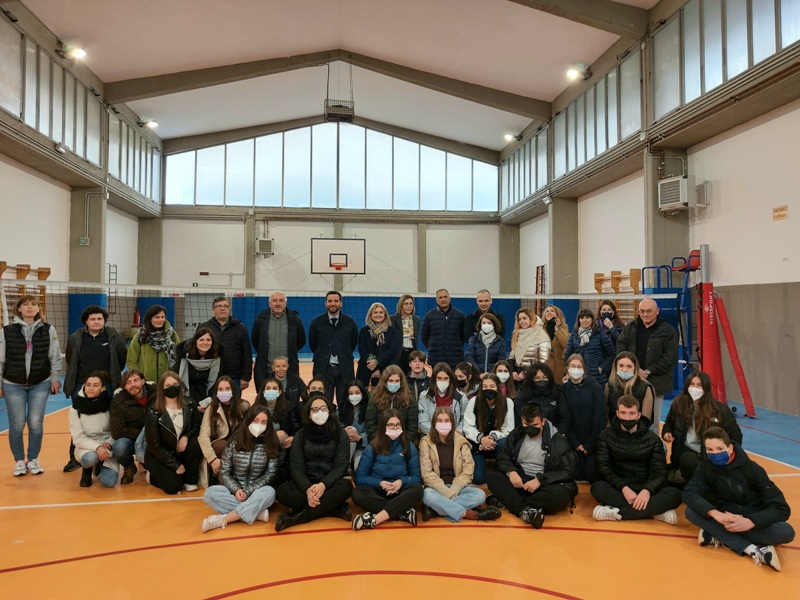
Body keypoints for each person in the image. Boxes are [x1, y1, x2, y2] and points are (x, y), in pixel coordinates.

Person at [683, 427, 795, 572]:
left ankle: (717, 534)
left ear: (729, 448)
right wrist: (716, 514)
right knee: (690, 511)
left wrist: (751, 521)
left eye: (719, 448)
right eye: (710, 450)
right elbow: (689, 493)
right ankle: (751, 549)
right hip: (725, 518)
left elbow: (782, 509)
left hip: (752, 518)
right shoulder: (705, 467)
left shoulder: (752, 469)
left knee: (786, 532)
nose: (715, 453)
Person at [591, 395, 682, 524]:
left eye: (632, 413)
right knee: (597, 488)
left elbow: (659, 472)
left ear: (639, 415)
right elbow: (603, 467)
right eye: (623, 413)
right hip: (619, 487)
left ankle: (618, 513)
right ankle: (654, 512)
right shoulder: (606, 436)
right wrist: (624, 487)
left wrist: (647, 490)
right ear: (617, 413)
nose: (627, 418)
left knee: (675, 494)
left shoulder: (653, 439)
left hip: (645, 487)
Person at [486, 402, 577, 529]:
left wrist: (540, 480)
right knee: (493, 478)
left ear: (543, 421)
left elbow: (567, 471)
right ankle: (525, 510)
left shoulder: (557, 440)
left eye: (535, 425)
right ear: (521, 420)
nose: (530, 428)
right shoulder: (516, 434)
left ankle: (511, 502)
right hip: (520, 479)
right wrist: (511, 471)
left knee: (559, 497)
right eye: (526, 425)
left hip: (543, 482)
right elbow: (503, 456)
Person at [0, 294, 62, 476]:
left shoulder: (49, 329)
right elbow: (1, 358)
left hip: (40, 383)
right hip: (12, 383)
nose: (29, 307)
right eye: (25, 304)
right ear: (19, 308)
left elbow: (55, 356)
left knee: (35, 423)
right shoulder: (7, 331)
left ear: (38, 309)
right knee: (17, 424)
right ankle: (19, 461)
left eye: (33, 304)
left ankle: (33, 458)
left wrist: (55, 378)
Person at [62, 305, 127, 472]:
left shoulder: (114, 336)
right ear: (86, 321)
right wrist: (87, 384)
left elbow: (121, 358)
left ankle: (104, 456)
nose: (96, 321)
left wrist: (107, 379)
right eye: (93, 319)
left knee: (109, 420)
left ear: (104, 320)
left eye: (100, 319)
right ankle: (75, 458)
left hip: (108, 385)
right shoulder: (76, 338)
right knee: (80, 422)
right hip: (82, 384)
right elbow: (70, 359)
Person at [274, 395, 352, 531]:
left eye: (323, 408)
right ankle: (333, 509)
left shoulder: (340, 434)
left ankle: (298, 517)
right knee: (282, 492)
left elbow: (341, 466)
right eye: (315, 409)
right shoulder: (300, 436)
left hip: (330, 484)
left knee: (346, 487)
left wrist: (323, 485)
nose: (319, 412)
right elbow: (296, 468)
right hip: (306, 484)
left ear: (329, 411)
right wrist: (308, 489)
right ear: (309, 415)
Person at [201, 405, 281, 532]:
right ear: (248, 421)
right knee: (210, 493)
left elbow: (270, 474)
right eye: (256, 420)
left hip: (256, 493)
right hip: (235, 493)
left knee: (270, 492)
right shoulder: (234, 443)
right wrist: (236, 489)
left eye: (263, 422)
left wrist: (248, 491)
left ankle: (225, 519)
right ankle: (256, 513)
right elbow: (224, 472)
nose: (259, 425)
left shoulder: (271, 444)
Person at [419, 406, 501, 522]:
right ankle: (468, 513)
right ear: (434, 423)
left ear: (452, 423)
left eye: (447, 420)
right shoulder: (426, 442)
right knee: (427, 495)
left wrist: (454, 489)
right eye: (439, 420)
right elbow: (426, 473)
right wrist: (446, 492)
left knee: (480, 495)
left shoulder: (461, 441)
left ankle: (436, 510)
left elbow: (468, 470)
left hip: (458, 488)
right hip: (436, 489)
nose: (443, 424)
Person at [662, 371, 742, 483]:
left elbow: (736, 435)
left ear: (706, 388)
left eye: (699, 385)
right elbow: (669, 422)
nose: (695, 388)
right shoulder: (678, 404)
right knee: (687, 461)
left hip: (711, 455)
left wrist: (727, 454)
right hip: (688, 453)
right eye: (692, 384)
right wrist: (667, 432)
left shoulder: (720, 410)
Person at [352, 409, 424, 529]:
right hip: (378, 491)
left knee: (418, 489)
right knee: (357, 493)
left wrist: (401, 482)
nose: (395, 428)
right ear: (383, 427)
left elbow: (416, 478)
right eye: (391, 425)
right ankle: (402, 512)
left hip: (400, 492)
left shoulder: (409, 446)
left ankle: (375, 519)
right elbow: (359, 478)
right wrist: (379, 483)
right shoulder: (372, 447)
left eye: (398, 425)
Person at [617, 298, 678, 433]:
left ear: (657, 311)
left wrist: (648, 371)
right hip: (631, 381)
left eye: (649, 311)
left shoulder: (668, 331)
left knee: (652, 423)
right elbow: (621, 348)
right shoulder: (630, 328)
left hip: (657, 383)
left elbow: (670, 358)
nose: (645, 314)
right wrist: (634, 369)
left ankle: (653, 445)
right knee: (629, 419)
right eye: (642, 311)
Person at [144, 371, 202, 494]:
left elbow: (196, 425)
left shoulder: (190, 405)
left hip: (180, 451)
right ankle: (152, 476)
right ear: (161, 388)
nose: (172, 388)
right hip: (160, 455)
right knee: (174, 487)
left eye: (175, 384)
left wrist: (186, 437)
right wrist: (175, 464)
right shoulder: (153, 413)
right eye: (168, 385)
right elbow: (154, 446)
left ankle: (190, 480)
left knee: (195, 443)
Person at [561, 354, 606, 482]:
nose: (576, 369)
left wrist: (590, 444)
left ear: (584, 369)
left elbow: (600, 418)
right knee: (575, 474)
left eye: (579, 366)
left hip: (592, 442)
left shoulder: (595, 387)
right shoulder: (563, 389)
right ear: (567, 367)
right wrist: (575, 443)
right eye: (573, 366)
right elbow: (564, 419)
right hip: (573, 442)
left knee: (592, 474)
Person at [69, 372, 119, 488]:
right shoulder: (76, 408)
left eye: (96, 385)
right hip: (87, 447)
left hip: (107, 446)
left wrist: (109, 443)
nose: (91, 388)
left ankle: (100, 465)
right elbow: (77, 438)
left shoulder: (111, 404)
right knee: (90, 459)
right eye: (88, 385)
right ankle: (87, 470)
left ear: (103, 388)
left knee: (109, 482)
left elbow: (116, 430)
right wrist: (97, 447)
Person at [308, 290, 358, 407]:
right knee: (323, 403)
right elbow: (313, 344)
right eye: (330, 301)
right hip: (323, 370)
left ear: (341, 303)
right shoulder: (316, 322)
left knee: (345, 403)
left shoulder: (350, 322)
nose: (333, 303)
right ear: (326, 303)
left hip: (344, 370)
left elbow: (353, 343)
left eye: (336, 301)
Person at [463, 374, 515, 484]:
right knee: (478, 479)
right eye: (485, 386)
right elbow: (467, 427)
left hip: (497, 444)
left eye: (492, 386)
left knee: (504, 442)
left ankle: (500, 471)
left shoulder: (508, 402)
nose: (488, 389)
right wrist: (481, 439)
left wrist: (492, 437)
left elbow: (508, 428)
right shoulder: (474, 401)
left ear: (498, 387)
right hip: (478, 445)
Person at [198, 376, 247, 488]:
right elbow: (203, 435)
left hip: (238, 446)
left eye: (227, 389)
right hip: (220, 448)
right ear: (216, 392)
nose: (224, 392)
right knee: (222, 446)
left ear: (233, 390)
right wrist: (212, 459)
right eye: (220, 389)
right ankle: (225, 482)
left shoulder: (243, 406)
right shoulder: (211, 408)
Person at [110, 369, 157, 484]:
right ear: (124, 387)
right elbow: (117, 431)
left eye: (135, 380)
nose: (133, 385)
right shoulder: (118, 401)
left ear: (143, 381)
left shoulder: (157, 394)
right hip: (132, 438)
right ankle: (129, 466)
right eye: (128, 382)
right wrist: (142, 435)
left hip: (155, 436)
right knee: (119, 447)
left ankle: (149, 462)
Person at [252, 291, 306, 389]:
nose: (278, 303)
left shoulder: (295, 320)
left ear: (286, 303)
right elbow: (255, 341)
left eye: (281, 301)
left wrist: (291, 350)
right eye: (274, 301)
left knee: (289, 397)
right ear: (269, 303)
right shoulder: (261, 320)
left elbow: (301, 341)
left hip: (289, 372)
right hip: (266, 371)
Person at [199, 296, 252, 393]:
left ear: (229, 309)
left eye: (225, 306)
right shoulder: (204, 328)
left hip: (234, 378)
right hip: (210, 378)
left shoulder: (240, 328)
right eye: (219, 306)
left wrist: (245, 377)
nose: (222, 308)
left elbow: (247, 353)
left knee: (234, 403)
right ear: (213, 310)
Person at [126, 304, 180, 383]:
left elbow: (178, 356)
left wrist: (173, 376)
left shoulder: (172, 335)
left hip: (167, 381)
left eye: (163, 317)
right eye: (157, 317)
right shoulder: (140, 336)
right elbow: (131, 359)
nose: (160, 320)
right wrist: (138, 376)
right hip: (146, 381)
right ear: (150, 318)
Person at [365, 366, 419, 443]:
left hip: (402, 441)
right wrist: (378, 441)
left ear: (401, 382)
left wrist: (405, 443)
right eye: (391, 380)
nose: (394, 383)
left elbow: (412, 426)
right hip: (379, 441)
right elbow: (370, 423)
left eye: (397, 381)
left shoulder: (409, 397)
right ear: (385, 381)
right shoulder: (375, 396)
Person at [564, 309, 615, 388]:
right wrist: (568, 372)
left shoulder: (600, 334)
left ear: (592, 319)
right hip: (577, 374)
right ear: (579, 320)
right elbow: (568, 355)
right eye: (582, 318)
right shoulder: (574, 335)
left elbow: (612, 354)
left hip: (597, 376)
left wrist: (602, 367)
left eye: (587, 317)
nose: (584, 320)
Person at [513, 362, 569, 433]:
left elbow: (564, 419)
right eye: (537, 378)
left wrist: (557, 435)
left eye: (545, 377)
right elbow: (518, 418)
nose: (541, 380)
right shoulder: (522, 394)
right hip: (528, 433)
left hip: (554, 434)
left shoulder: (557, 393)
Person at [356, 302, 401, 388]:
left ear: (385, 315)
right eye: (375, 312)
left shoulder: (392, 331)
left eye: (381, 312)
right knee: (362, 394)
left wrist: (377, 362)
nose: (378, 315)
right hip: (365, 369)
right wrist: (374, 369)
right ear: (370, 315)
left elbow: (392, 350)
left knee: (382, 395)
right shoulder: (364, 331)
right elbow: (362, 350)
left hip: (385, 369)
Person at [605, 351, 656, 426]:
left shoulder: (645, 388)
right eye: (621, 366)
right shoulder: (609, 386)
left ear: (635, 368)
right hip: (613, 430)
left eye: (629, 366)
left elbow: (645, 420)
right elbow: (606, 413)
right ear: (616, 367)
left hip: (638, 431)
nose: (624, 370)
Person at [420, 288, 466, 370]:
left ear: (449, 298)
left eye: (445, 297)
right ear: (436, 300)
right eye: (440, 297)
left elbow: (463, 336)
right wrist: (434, 348)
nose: (443, 299)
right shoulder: (429, 316)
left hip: (456, 360)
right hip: (435, 360)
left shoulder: (459, 315)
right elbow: (424, 337)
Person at [418, 362, 467, 437]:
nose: (442, 381)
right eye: (439, 378)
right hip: (431, 437)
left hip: (454, 437)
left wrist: (456, 433)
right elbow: (423, 422)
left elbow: (464, 419)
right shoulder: (424, 396)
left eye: (446, 378)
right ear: (434, 379)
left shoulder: (461, 397)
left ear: (450, 379)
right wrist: (438, 435)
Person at [175, 327, 221, 404]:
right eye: (201, 340)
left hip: (208, 400)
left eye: (208, 340)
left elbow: (217, 383)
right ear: (195, 341)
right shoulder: (184, 358)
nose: (205, 343)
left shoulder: (217, 359)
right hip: (186, 399)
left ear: (212, 342)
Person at [253, 377, 300, 449]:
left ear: (280, 392)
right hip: (259, 440)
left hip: (279, 444)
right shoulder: (255, 409)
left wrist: (292, 437)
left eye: (274, 388)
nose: (271, 391)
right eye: (268, 388)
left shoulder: (288, 408)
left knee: (280, 434)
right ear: (263, 391)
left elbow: (295, 427)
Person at [508, 307, 551, 381]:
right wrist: (513, 371)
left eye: (524, 318)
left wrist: (525, 373)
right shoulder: (517, 334)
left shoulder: (541, 335)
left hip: (533, 376)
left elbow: (543, 361)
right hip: (516, 376)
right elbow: (512, 356)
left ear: (531, 319)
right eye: (519, 319)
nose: (521, 321)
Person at [339, 379, 369, 468]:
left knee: (358, 467)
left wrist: (359, 437)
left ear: (362, 394)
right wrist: (344, 432)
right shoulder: (341, 409)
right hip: (344, 447)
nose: (354, 396)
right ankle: (345, 466)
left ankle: (346, 466)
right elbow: (336, 427)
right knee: (350, 430)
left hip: (362, 448)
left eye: (357, 393)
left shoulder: (369, 409)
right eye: (351, 393)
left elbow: (372, 431)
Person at [391, 294, 420, 376]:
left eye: (411, 303)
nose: (409, 306)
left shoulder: (416, 319)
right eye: (406, 304)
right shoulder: (392, 319)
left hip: (411, 354)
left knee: (410, 378)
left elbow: (416, 339)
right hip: (398, 354)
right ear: (401, 305)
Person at [541, 305, 570, 382]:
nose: (549, 312)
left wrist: (557, 328)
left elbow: (566, 343)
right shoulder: (540, 328)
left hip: (559, 364)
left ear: (557, 314)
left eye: (552, 311)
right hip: (545, 364)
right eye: (547, 311)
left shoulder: (563, 327)